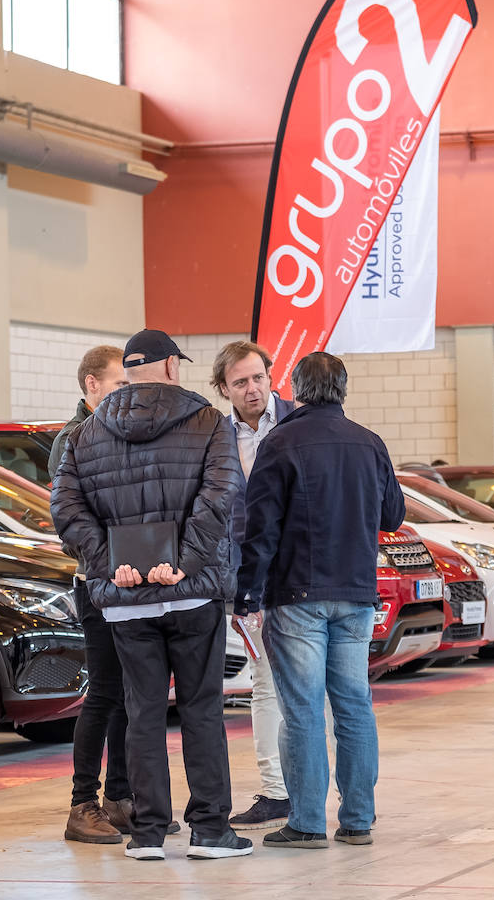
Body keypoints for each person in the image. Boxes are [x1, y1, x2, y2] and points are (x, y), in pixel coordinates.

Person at [51, 328, 251, 861]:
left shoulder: (84, 434)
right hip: (192, 595)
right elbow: (221, 497)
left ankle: (147, 835)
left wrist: (111, 564)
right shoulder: (209, 421)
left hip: (123, 600)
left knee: (141, 712)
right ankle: (210, 830)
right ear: (168, 367)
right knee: (201, 709)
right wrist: (182, 565)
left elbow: (66, 511)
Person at [235, 352, 405, 849]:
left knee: (303, 710)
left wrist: (247, 593)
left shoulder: (280, 441)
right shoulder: (370, 443)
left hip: (296, 596)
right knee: (354, 706)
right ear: (344, 390)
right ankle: (357, 820)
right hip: (355, 594)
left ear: (297, 389)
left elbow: (260, 527)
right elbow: (392, 515)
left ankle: (307, 823)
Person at [48, 345, 144, 845]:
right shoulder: (73, 440)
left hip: (129, 583)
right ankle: (82, 804)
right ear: (91, 385)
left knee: (129, 695)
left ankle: (121, 800)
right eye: (119, 384)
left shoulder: (120, 434)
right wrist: (113, 558)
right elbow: (72, 523)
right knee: (104, 693)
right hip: (98, 584)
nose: (127, 393)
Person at [210, 340, 295, 831]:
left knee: (310, 687)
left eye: (258, 377)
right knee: (264, 684)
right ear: (224, 388)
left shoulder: (297, 423)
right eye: (240, 382)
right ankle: (276, 791)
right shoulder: (215, 438)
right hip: (250, 579)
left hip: (303, 574)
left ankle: (307, 785)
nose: (252, 389)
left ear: (271, 375)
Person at [48, 345, 128, 477]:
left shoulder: (124, 431)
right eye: (122, 384)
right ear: (92, 384)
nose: (130, 391)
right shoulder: (72, 440)